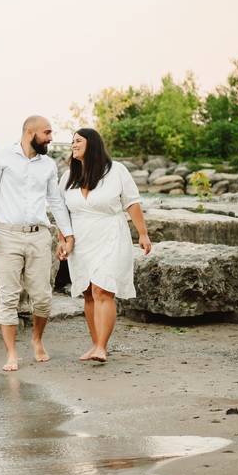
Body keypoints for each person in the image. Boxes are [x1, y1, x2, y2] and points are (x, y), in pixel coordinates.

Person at [0, 116, 75, 371]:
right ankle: (11, 353)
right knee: (8, 297)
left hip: (38, 235)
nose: (51, 138)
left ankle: (37, 340)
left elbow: (55, 201)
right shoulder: (1, 157)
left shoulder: (48, 165)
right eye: (47, 133)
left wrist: (67, 234)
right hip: (5, 234)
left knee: (43, 297)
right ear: (29, 132)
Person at [59, 128, 152, 362]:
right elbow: (60, 212)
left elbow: (132, 203)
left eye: (78, 140)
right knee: (89, 293)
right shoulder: (69, 175)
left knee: (103, 289)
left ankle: (102, 346)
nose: (73, 144)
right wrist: (63, 240)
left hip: (111, 234)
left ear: (93, 144)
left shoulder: (116, 171)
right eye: (72, 141)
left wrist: (143, 234)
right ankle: (94, 344)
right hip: (81, 240)